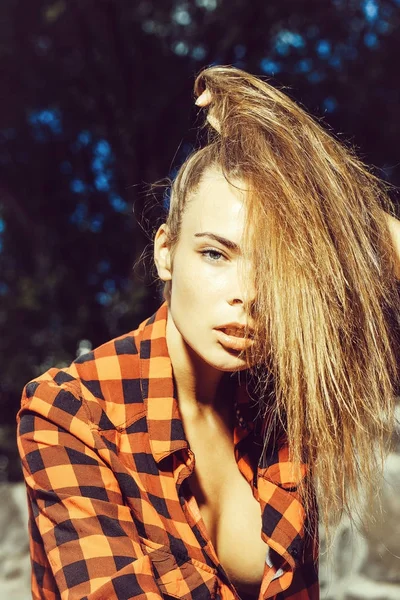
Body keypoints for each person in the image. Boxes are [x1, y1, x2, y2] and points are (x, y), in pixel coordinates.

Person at [17, 66, 400, 600]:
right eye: (216, 253)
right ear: (166, 252)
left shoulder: (282, 401)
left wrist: (299, 149)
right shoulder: (71, 412)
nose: (248, 294)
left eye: (278, 268)